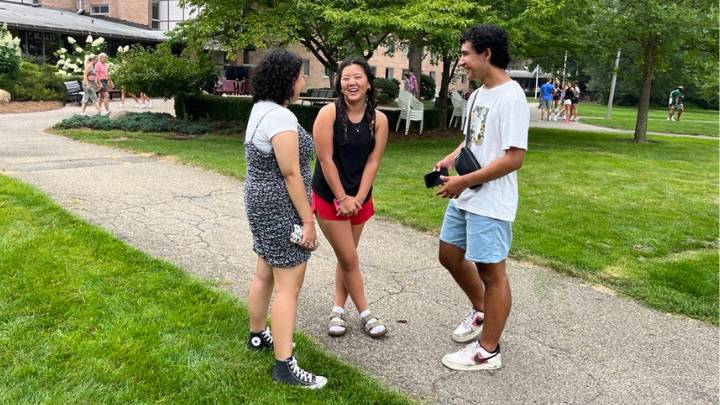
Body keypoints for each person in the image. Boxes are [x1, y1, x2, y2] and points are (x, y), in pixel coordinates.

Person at [432, 24, 528, 371]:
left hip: (491, 201)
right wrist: (451, 158)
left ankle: (488, 351)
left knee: (492, 272)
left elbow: (514, 157)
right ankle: (481, 309)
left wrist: (463, 180)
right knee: (449, 254)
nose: (461, 62)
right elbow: (472, 139)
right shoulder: (477, 95)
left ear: (486, 54)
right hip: (467, 195)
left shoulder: (512, 97)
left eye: (465, 54)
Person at [243, 48, 326, 389]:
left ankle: (257, 334)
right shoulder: (279, 117)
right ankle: (284, 365)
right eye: (301, 74)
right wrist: (308, 221)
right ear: (289, 80)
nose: (304, 79)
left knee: (265, 272)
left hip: (260, 203)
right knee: (288, 287)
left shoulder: (261, 109)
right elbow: (292, 173)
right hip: (280, 206)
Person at [311, 57, 389, 339]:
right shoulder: (329, 114)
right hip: (330, 196)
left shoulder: (379, 120)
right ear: (339, 84)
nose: (351, 83)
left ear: (368, 83)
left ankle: (337, 310)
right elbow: (325, 158)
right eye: (346, 78)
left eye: (357, 77)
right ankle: (366, 314)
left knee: (348, 258)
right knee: (349, 257)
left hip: (359, 197)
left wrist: (358, 196)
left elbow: (373, 161)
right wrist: (343, 197)